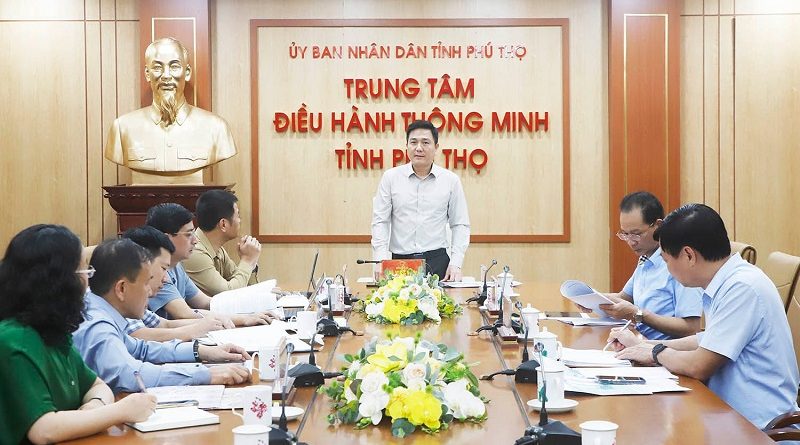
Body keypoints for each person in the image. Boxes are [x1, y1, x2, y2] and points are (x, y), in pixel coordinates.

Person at [609, 204, 800, 429]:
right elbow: (707, 340)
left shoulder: (742, 287)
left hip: (758, 429)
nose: (667, 269)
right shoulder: (726, 280)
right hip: (725, 416)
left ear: (689, 255)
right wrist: (643, 346)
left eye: (667, 261)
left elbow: (700, 365)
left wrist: (654, 353)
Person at [0, 225, 156, 445]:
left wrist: (92, 409)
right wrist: (120, 411)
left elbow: (97, 386)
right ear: (59, 282)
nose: (88, 283)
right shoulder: (14, 340)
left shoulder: (54, 333)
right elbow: (44, 430)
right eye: (84, 272)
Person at [73, 238, 251, 393]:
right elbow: (131, 375)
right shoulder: (98, 325)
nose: (150, 292)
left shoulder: (104, 312)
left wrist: (202, 351)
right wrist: (205, 374)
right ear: (121, 288)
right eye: (146, 284)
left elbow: (141, 349)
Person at [104, 37, 236, 180]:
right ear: (147, 74)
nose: (166, 76)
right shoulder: (122, 128)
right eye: (157, 67)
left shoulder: (217, 128)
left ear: (187, 72)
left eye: (174, 66)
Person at [371, 119, 470, 281]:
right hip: (400, 262)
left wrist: (456, 263)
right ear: (407, 146)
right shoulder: (391, 178)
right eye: (413, 142)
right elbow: (380, 221)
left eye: (425, 142)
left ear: (436, 147)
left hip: (437, 262)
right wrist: (380, 259)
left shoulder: (450, 180)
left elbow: (460, 224)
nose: (418, 148)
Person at [144, 203, 274, 326]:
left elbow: (206, 303)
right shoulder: (156, 272)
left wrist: (254, 310)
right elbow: (184, 314)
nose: (195, 240)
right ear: (166, 238)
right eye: (189, 235)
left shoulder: (176, 266)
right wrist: (243, 319)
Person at [598, 191, 702, 340]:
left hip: (662, 349)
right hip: (637, 340)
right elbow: (624, 298)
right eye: (625, 234)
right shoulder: (645, 257)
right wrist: (591, 299)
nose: (631, 242)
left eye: (636, 234)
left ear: (658, 226)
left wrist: (639, 314)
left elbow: (691, 328)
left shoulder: (680, 262)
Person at [122, 225, 225, 342]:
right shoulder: (121, 299)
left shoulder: (177, 267)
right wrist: (198, 330)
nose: (166, 278)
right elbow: (141, 335)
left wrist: (211, 323)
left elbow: (165, 324)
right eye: (188, 234)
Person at [183, 189, 261, 296]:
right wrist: (247, 260)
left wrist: (252, 263)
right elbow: (229, 293)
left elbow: (243, 285)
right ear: (223, 224)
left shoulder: (218, 249)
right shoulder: (195, 252)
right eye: (238, 215)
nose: (240, 220)